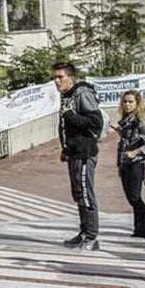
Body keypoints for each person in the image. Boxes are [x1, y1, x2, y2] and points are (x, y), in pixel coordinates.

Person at [53, 62, 103, 250]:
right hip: (74, 152)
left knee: (86, 194)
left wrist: (70, 116)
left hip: (85, 152)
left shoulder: (82, 93)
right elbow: (67, 125)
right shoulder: (66, 95)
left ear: (71, 78)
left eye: (60, 77)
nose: (56, 81)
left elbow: (95, 122)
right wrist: (65, 147)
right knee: (78, 194)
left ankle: (92, 237)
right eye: (55, 78)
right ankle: (84, 231)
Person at [114, 90, 145, 237]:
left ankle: (141, 229)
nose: (127, 104)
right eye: (125, 101)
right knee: (132, 197)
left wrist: (136, 152)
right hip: (125, 162)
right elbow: (131, 138)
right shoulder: (128, 120)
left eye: (130, 102)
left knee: (134, 197)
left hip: (136, 163)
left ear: (137, 103)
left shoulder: (141, 121)